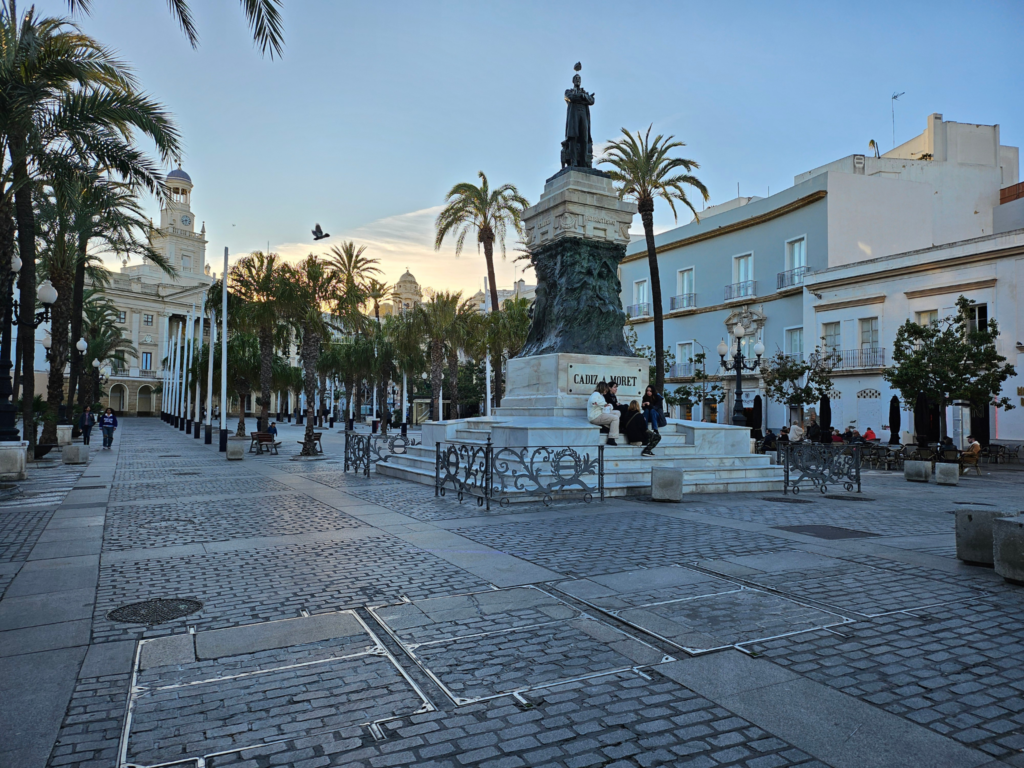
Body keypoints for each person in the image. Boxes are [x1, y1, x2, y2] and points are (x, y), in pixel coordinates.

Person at [587, 382, 619, 446]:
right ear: (603, 388)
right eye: (606, 389)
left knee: (617, 412)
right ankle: (611, 438)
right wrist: (604, 404)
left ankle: (606, 428)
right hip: (595, 416)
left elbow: (603, 405)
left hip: (600, 413)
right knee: (615, 418)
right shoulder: (595, 394)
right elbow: (593, 402)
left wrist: (608, 406)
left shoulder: (600, 395)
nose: (607, 390)